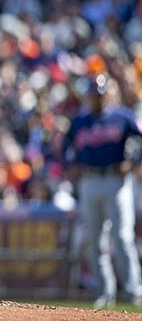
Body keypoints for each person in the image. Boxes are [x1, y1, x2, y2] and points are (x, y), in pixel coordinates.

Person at [62, 75, 142, 308]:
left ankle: (134, 290)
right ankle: (104, 293)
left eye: (100, 94)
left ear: (107, 94)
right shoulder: (79, 121)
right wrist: (71, 165)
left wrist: (133, 162)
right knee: (95, 240)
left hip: (115, 181)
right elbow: (65, 146)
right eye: (93, 94)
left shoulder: (123, 116)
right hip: (89, 180)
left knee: (122, 237)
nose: (97, 98)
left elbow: (140, 141)